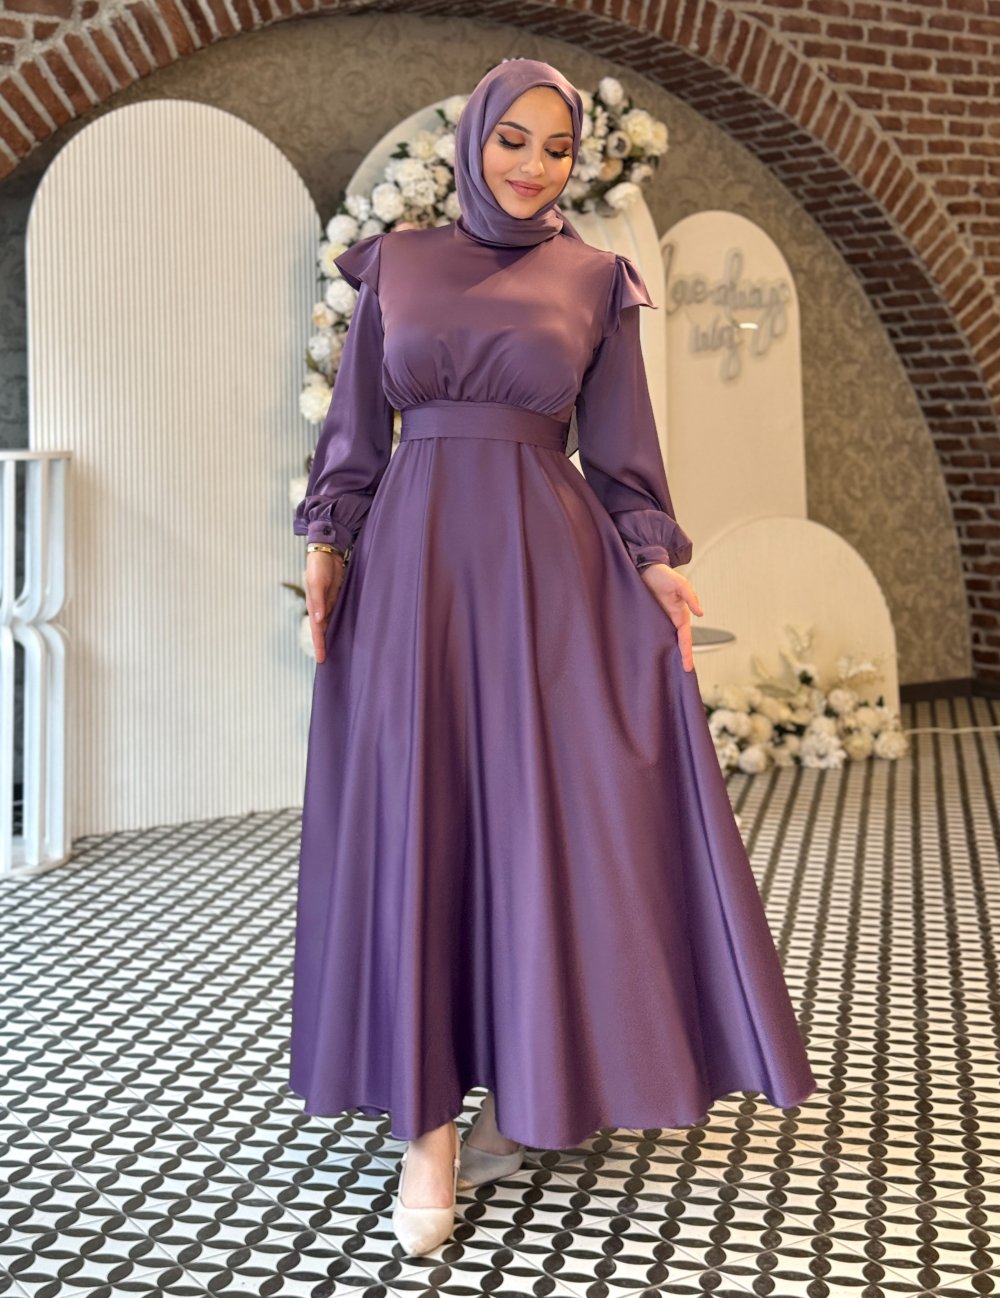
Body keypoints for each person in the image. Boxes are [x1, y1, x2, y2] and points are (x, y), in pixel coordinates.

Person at [290, 57, 817, 1257]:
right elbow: (355, 430)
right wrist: (326, 543)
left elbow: (623, 451)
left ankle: (532, 1079)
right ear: (472, 140)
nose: (533, 165)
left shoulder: (593, 279)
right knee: (420, 821)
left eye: (557, 147)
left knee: (545, 822)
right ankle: (427, 1125)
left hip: (549, 576)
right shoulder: (397, 265)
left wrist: (655, 558)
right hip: (413, 575)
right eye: (512, 139)